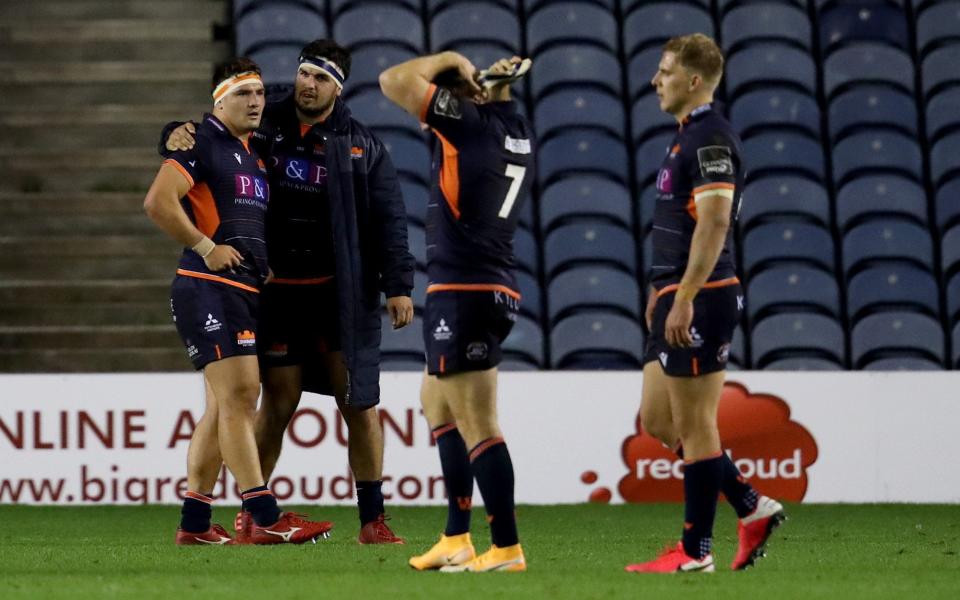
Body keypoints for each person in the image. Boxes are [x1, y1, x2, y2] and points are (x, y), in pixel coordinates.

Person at [163, 40, 416, 544]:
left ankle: (373, 519)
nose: (307, 84)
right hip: (273, 294)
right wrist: (170, 133)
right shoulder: (264, 118)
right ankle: (252, 516)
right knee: (275, 401)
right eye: (303, 74)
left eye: (320, 78)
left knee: (358, 403)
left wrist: (399, 285)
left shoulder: (362, 143)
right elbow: (205, 136)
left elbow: (390, 219)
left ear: (338, 88)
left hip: (338, 295)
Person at [144, 57, 332, 545]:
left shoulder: (252, 151)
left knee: (221, 407)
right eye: (243, 94)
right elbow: (158, 202)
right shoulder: (202, 141)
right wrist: (208, 247)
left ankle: (196, 524)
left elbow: (241, 214)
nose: (255, 103)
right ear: (219, 100)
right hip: (207, 286)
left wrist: (257, 257)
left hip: (241, 288)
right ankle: (265, 514)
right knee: (242, 395)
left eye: (259, 95)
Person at [623, 34, 784, 573]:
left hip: (704, 294)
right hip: (673, 291)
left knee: (695, 426)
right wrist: (661, 288)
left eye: (665, 71)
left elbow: (715, 224)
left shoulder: (711, 139)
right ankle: (749, 504)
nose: (655, 80)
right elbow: (683, 221)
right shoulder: (685, 137)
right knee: (659, 421)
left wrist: (686, 295)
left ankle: (696, 552)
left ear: (694, 81)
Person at [379, 52, 535, 572]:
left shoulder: (465, 125)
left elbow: (392, 79)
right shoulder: (513, 128)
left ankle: (507, 546)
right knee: (437, 403)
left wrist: (454, 61)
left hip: (465, 285)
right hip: (486, 283)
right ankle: (455, 536)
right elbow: (500, 100)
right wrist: (496, 82)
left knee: (478, 422)